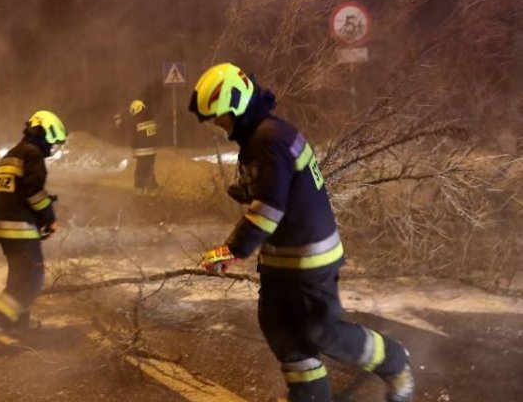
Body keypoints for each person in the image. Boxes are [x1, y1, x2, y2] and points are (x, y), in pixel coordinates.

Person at [188, 63, 415, 402]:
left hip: (311, 257)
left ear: (237, 105)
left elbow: (269, 207)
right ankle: (310, 395)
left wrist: (232, 250)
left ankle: (395, 362)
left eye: (220, 117)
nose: (219, 125)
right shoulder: (263, 135)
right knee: (278, 326)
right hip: (283, 257)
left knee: (321, 331)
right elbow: (275, 190)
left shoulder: (268, 139)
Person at [0, 110, 66, 346]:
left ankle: (17, 326)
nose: (52, 147)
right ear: (45, 133)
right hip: (17, 224)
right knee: (33, 278)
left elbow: (17, 191)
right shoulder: (33, 154)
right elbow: (34, 193)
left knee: (18, 276)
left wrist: (39, 216)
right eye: (53, 141)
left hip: (2, 221)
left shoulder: (13, 153)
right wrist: (49, 218)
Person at [129, 99, 159, 195]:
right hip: (151, 150)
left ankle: (139, 188)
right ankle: (152, 188)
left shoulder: (137, 121)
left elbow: (130, 132)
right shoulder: (151, 119)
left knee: (140, 170)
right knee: (149, 169)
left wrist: (119, 123)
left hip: (141, 150)